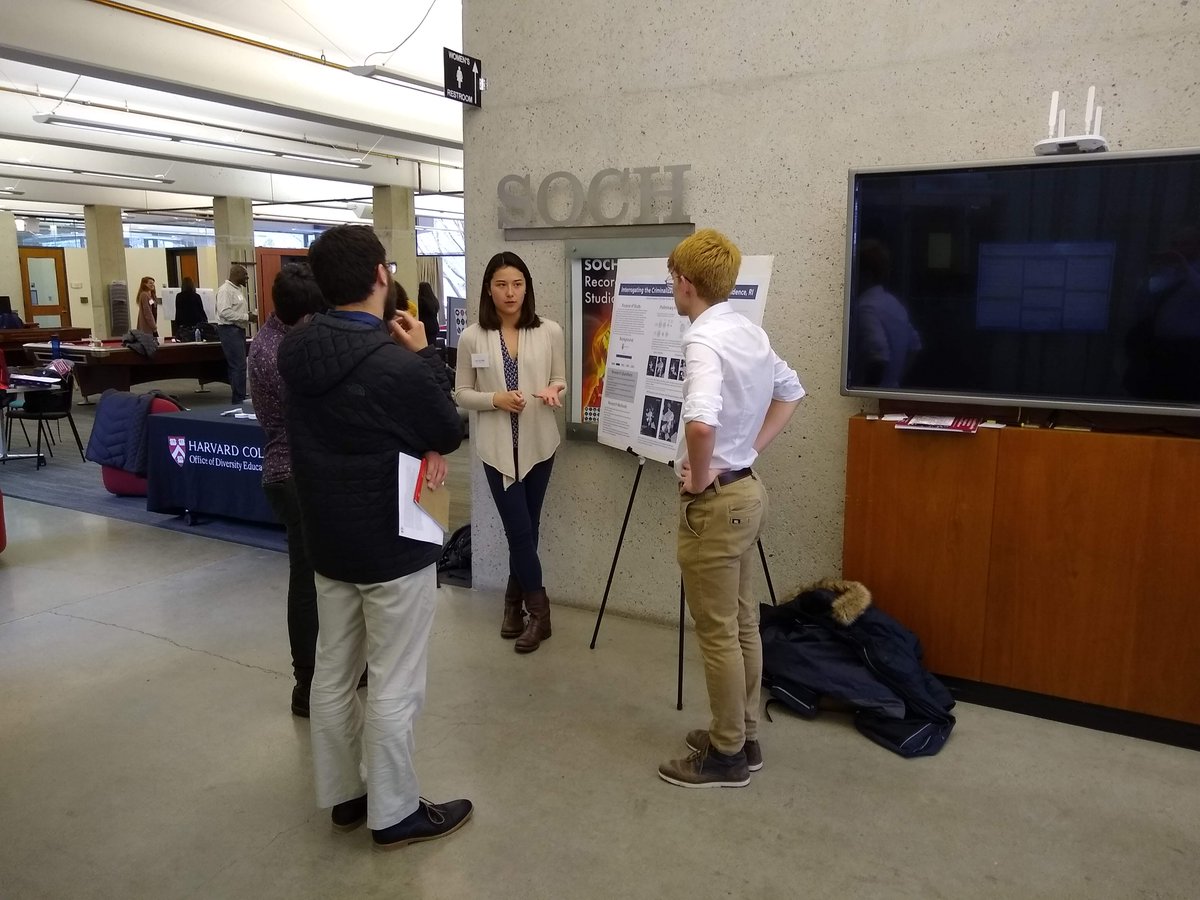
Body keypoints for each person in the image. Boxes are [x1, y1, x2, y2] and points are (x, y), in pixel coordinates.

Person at [277, 224, 471, 849]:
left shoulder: (292, 351)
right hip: (393, 544)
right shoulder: (396, 364)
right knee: (395, 678)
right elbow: (446, 426)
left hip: (328, 541)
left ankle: (344, 795)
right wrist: (424, 358)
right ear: (382, 277)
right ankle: (394, 811)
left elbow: (378, 428)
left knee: (334, 671)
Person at [657, 229, 805, 789]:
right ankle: (742, 735)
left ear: (685, 283)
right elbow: (792, 392)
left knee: (718, 631)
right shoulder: (749, 332)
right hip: (747, 494)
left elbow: (699, 422)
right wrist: (747, 452)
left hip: (717, 506)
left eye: (674, 279)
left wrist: (698, 474)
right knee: (743, 623)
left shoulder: (702, 340)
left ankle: (725, 756)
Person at [453, 252, 566, 652]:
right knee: (518, 530)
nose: (510, 292)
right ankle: (540, 614)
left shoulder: (549, 330)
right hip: (498, 448)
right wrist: (495, 399)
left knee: (527, 531)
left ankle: (511, 604)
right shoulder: (472, 337)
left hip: (539, 444)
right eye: (501, 284)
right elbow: (461, 393)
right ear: (489, 289)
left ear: (527, 287)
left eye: (517, 284)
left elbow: (559, 379)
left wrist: (555, 391)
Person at [247, 263, 327, 717]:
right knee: (308, 585)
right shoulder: (284, 355)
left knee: (316, 581)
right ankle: (307, 683)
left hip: (283, 470)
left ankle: (320, 675)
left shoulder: (270, 337)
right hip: (293, 474)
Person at [216, 264, 250, 403]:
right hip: (229, 330)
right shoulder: (225, 291)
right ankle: (238, 398)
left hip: (237, 330)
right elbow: (224, 312)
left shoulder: (236, 290)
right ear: (236, 274)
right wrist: (246, 317)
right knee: (239, 366)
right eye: (245, 274)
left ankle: (239, 395)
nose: (247, 277)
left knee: (239, 366)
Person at [417, 281, 441, 346]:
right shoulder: (434, 300)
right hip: (434, 327)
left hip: (425, 328)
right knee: (432, 347)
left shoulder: (420, 301)